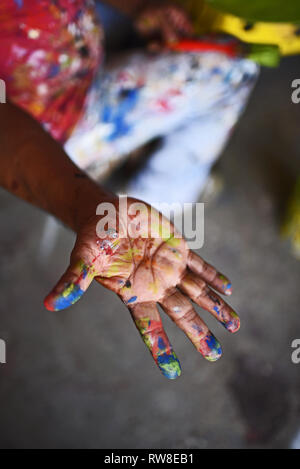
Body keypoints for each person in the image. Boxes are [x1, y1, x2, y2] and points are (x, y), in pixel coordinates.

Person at [0, 0, 243, 380]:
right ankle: (159, 198)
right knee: (234, 70)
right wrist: (91, 206)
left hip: (73, 31)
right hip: (46, 124)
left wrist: (139, 6)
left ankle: (145, 174)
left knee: (213, 41)